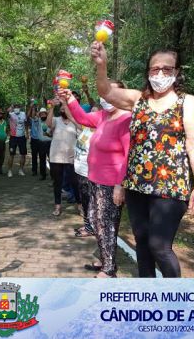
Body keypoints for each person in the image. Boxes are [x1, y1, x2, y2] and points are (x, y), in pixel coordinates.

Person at [91, 42, 194, 278]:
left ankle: (176, 301)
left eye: (167, 69)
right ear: (148, 72)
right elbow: (106, 91)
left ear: (176, 72)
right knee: (142, 244)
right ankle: (149, 297)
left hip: (171, 187)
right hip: (136, 186)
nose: (161, 73)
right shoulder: (138, 100)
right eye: (155, 69)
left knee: (159, 247)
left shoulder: (187, 103)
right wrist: (101, 66)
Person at [60, 83, 131, 278]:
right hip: (94, 178)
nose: (105, 98)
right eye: (103, 94)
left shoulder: (126, 120)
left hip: (111, 183)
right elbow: (82, 118)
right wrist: (70, 99)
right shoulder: (103, 117)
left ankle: (109, 269)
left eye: (110, 93)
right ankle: (105, 257)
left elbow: (128, 156)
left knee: (106, 223)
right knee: (96, 220)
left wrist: (120, 185)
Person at [46, 97, 81, 216]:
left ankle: (79, 205)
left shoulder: (74, 122)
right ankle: (57, 206)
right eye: (60, 109)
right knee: (57, 182)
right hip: (56, 156)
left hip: (71, 157)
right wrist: (51, 107)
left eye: (64, 108)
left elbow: (82, 131)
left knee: (75, 182)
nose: (62, 110)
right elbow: (48, 124)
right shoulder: (56, 120)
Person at [73, 105, 97, 238]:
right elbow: (73, 118)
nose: (92, 115)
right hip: (80, 171)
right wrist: (65, 103)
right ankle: (88, 225)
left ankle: (90, 227)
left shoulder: (99, 131)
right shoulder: (85, 128)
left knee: (90, 202)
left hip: (90, 173)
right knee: (85, 201)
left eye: (95, 113)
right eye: (91, 112)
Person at [7, 103, 28, 177]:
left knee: (23, 154)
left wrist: (27, 133)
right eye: (15, 107)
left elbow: (26, 124)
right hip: (13, 137)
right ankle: (9, 170)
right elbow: (6, 114)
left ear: (20, 108)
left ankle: (21, 170)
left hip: (22, 137)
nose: (16, 108)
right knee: (11, 154)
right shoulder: (11, 114)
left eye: (18, 107)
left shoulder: (23, 114)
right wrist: (9, 109)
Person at [36, 107, 52, 180]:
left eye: (44, 113)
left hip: (50, 143)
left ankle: (53, 175)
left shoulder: (50, 120)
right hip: (41, 143)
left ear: (46, 114)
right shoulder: (38, 121)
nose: (42, 115)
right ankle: (43, 175)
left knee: (51, 159)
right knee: (42, 159)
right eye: (41, 114)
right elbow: (33, 116)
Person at [27, 101, 40, 176]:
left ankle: (43, 170)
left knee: (42, 156)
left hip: (41, 140)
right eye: (34, 112)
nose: (35, 113)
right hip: (34, 140)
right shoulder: (32, 120)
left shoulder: (41, 120)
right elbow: (28, 116)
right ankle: (34, 170)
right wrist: (31, 107)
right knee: (34, 155)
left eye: (36, 112)